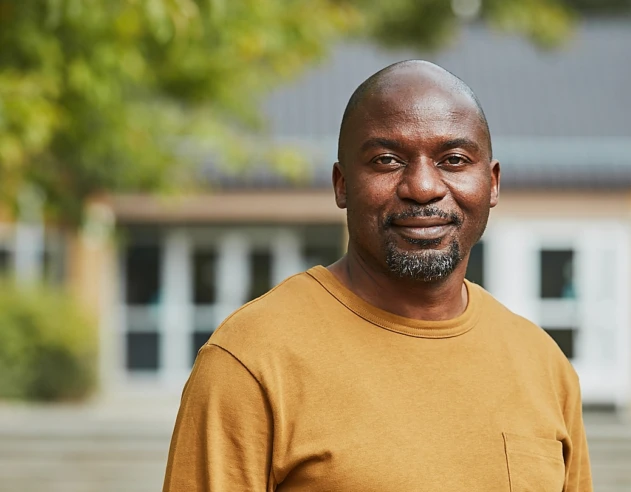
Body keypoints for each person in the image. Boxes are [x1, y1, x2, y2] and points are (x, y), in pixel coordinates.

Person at [163, 60, 592, 492]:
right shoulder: (251, 358)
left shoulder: (543, 365)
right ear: (342, 184)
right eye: (387, 160)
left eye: (454, 159)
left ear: (492, 182)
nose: (423, 186)